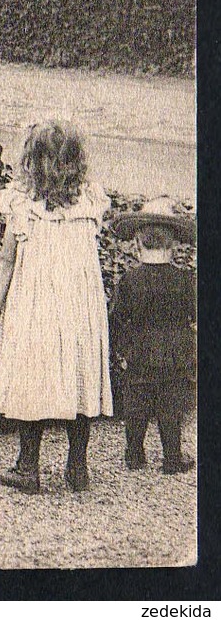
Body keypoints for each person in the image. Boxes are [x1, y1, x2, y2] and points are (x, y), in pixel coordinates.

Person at [0, 120, 112, 493]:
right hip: (80, 311)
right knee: (79, 378)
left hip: (35, 309)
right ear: (77, 161)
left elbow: (6, 260)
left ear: (30, 161)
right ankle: (77, 467)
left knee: (32, 379)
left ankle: (28, 467)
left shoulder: (22, 206)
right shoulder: (90, 202)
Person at [108, 197, 196, 475]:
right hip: (175, 352)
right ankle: (172, 457)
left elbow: (117, 319)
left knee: (135, 404)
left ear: (137, 244)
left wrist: (119, 349)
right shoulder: (185, 280)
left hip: (139, 352)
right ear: (173, 245)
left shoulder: (129, 280)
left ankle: (134, 454)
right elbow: (195, 315)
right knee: (171, 405)